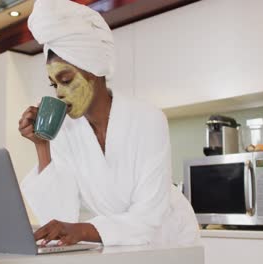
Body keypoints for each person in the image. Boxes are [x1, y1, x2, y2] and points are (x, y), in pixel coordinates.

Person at [18, 0, 200, 247]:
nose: (58, 93)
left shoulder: (148, 119)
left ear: (93, 70)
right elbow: (60, 215)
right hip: (117, 242)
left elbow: (148, 217)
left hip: (169, 239)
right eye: (54, 84)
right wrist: (42, 146)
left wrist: (83, 231)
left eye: (66, 79)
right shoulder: (67, 131)